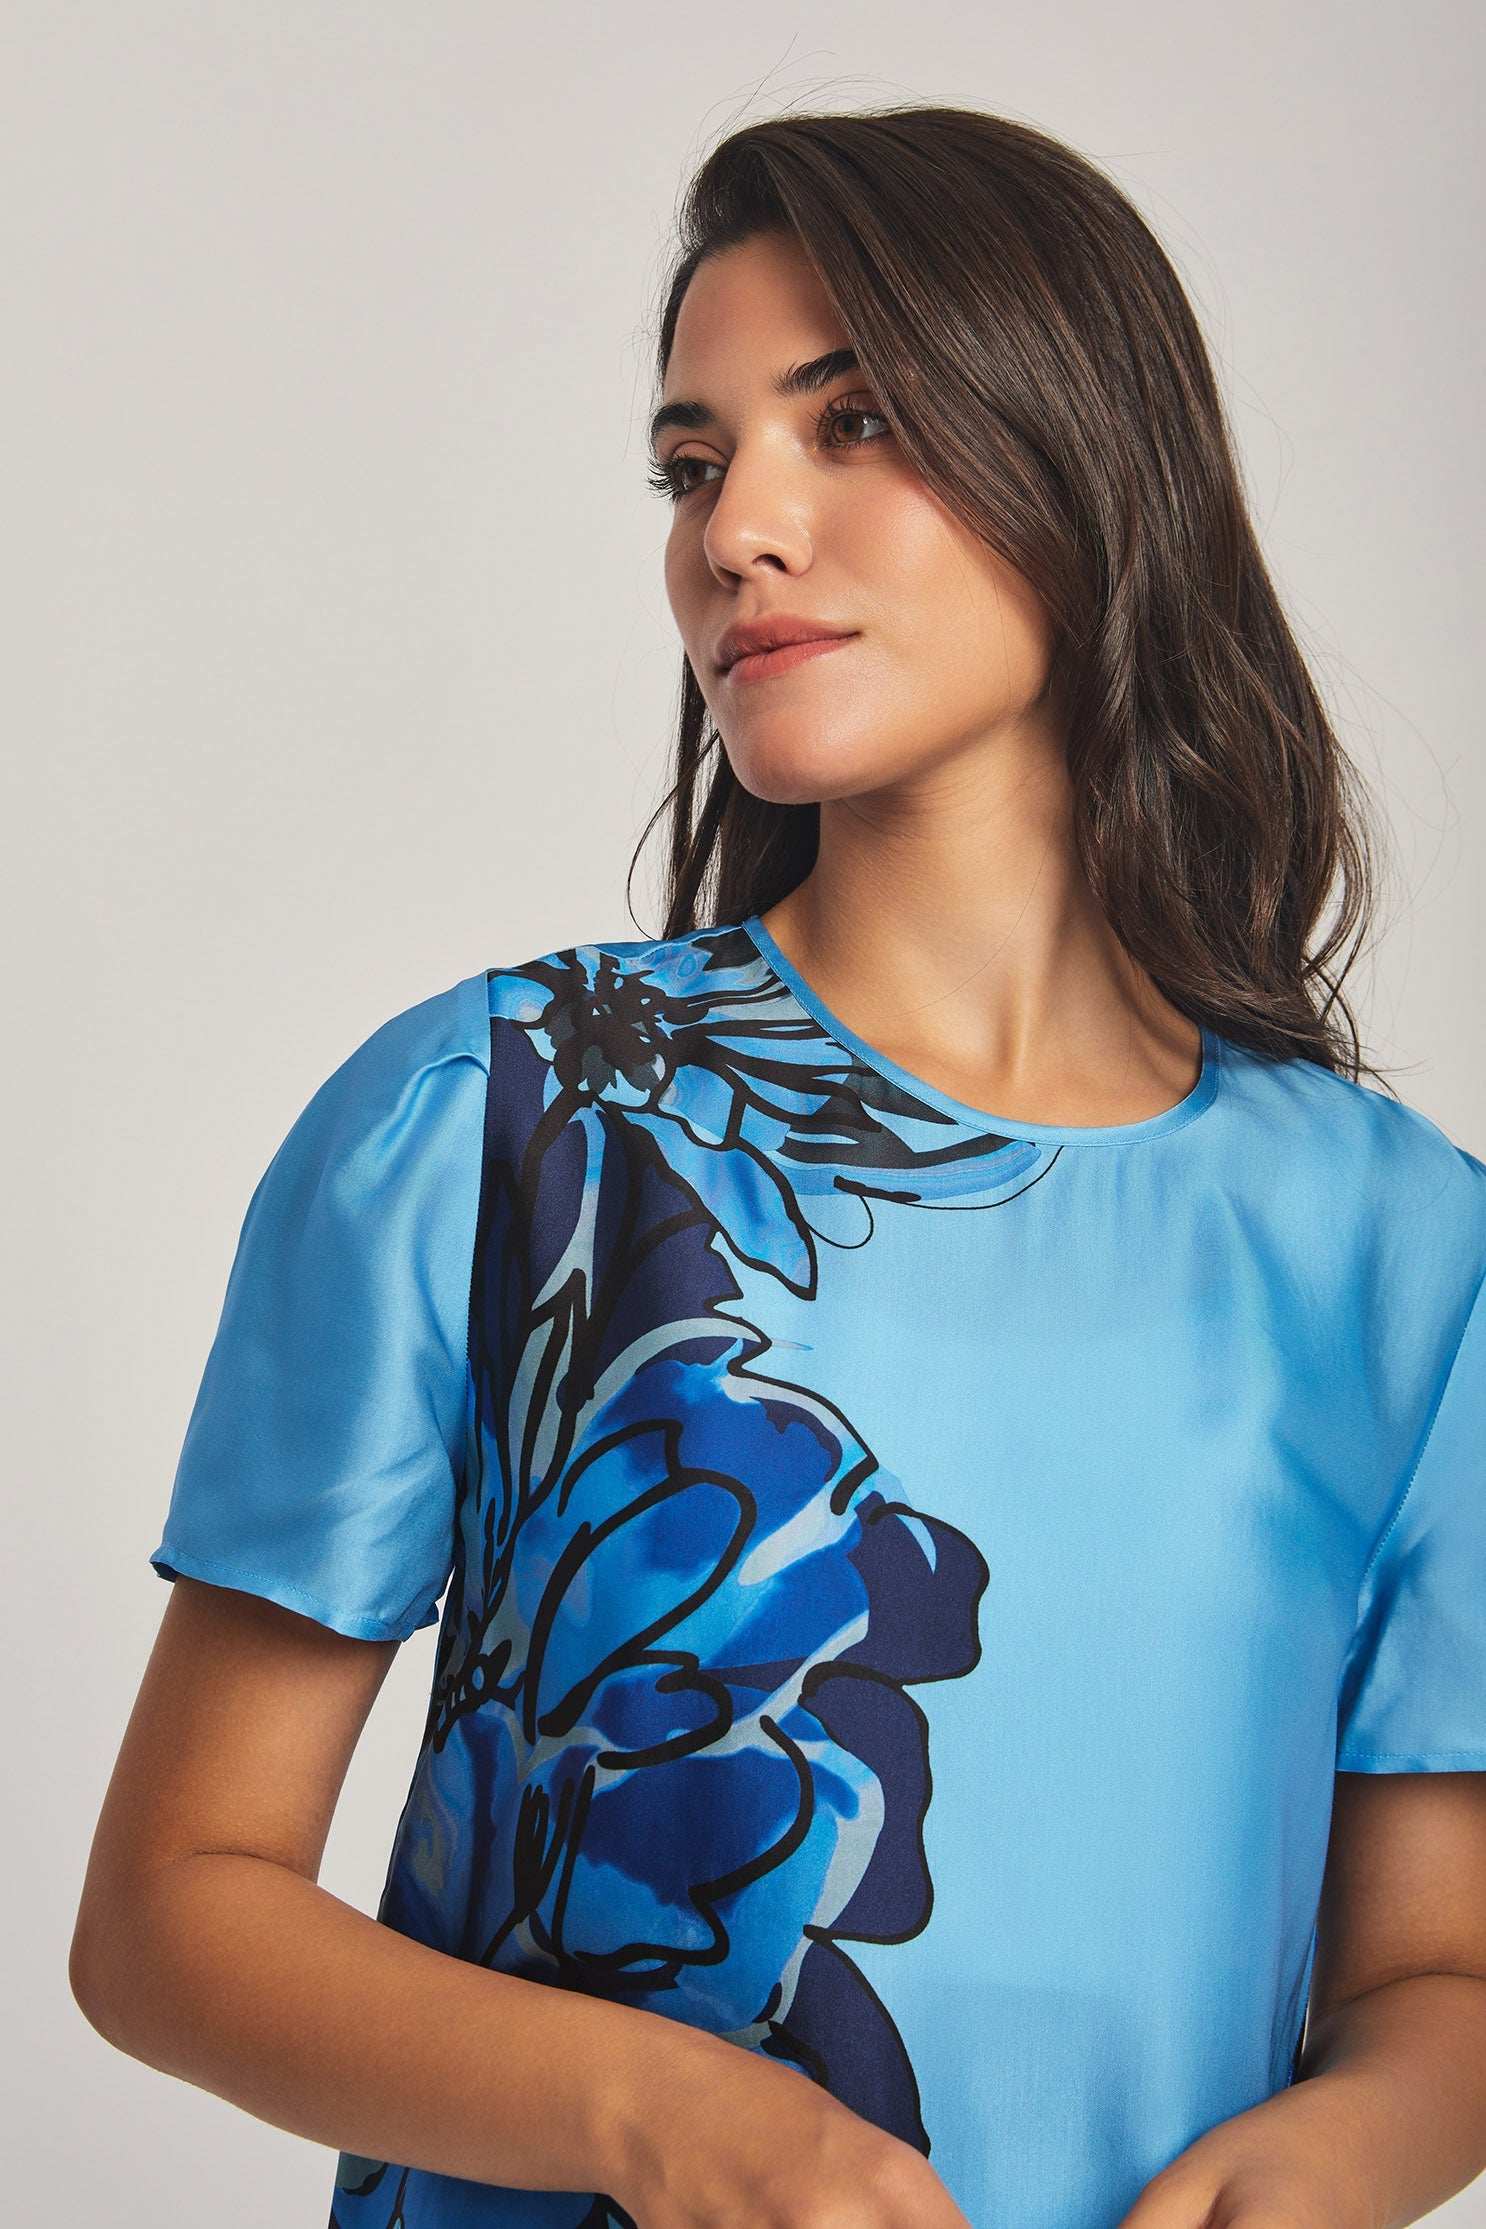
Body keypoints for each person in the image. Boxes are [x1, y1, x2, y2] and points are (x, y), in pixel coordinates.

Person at [70, 104, 1486, 2229]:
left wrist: (1340, 2153)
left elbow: (1434, 1970)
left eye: (854, 422)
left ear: (1086, 455)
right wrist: (666, 2118)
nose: (737, 529)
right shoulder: (502, 1120)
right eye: (690, 462)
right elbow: (169, 1910)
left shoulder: (1401, 1249)